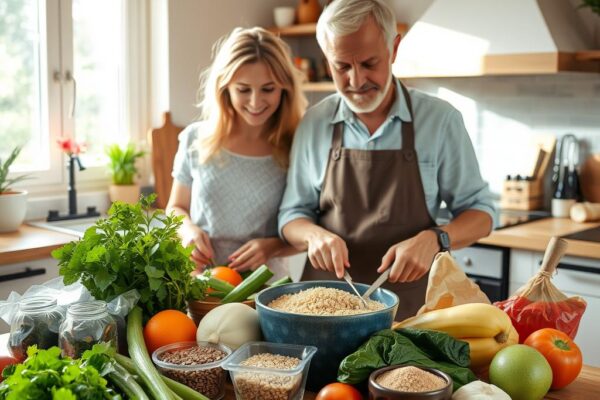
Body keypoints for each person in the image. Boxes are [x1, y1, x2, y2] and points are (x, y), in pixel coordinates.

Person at [278, 0, 495, 318]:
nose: (356, 80)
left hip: (412, 309)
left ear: (394, 48)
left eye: (369, 63)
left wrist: (435, 238)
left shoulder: (440, 120)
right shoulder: (314, 122)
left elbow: (482, 215)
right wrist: (313, 235)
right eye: (342, 66)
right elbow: (291, 215)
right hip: (323, 309)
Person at [167, 27, 307, 279]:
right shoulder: (195, 138)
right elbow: (176, 207)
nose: (255, 102)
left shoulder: (297, 145)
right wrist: (187, 230)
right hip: (200, 283)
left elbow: (313, 228)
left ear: (284, 88)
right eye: (243, 89)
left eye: (268, 89)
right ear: (225, 87)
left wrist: (272, 246)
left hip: (265, 289)